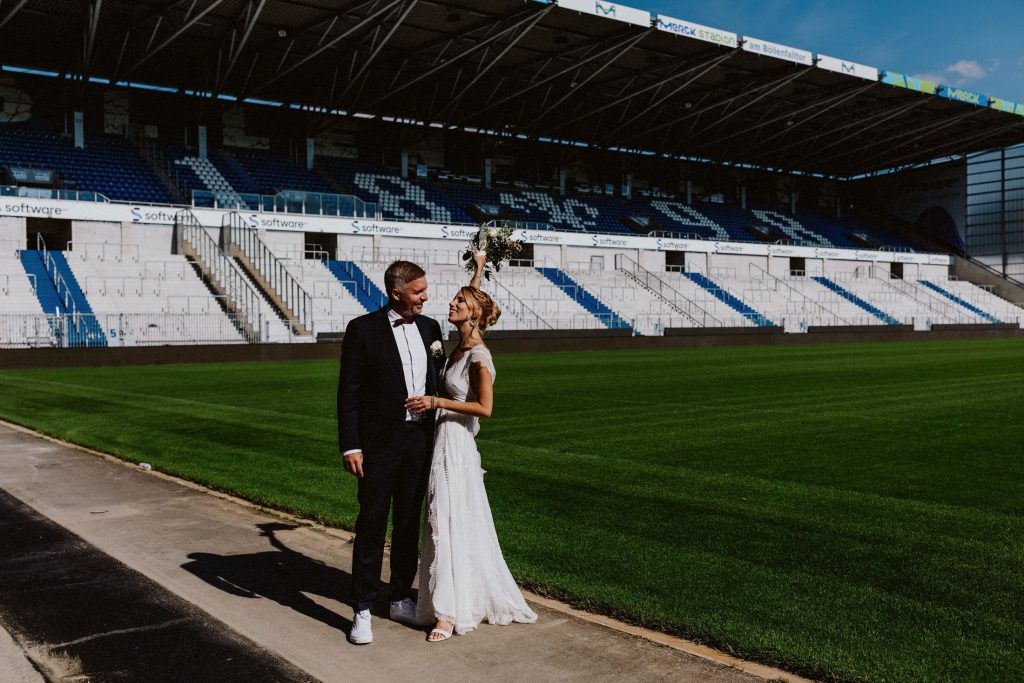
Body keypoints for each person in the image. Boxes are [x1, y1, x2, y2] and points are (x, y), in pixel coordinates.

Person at [405, 251, 538, 642]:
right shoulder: (460, 342)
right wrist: (478, 268)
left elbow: (485, 407)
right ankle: (442, 600)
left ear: (473, 314)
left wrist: (436, 402)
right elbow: (475, 296)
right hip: (442, 441)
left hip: (458, 445)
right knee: (442, 520)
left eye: (458, 302)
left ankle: (447, 613)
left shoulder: (478, 354)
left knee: (445, 520)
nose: (451, 303)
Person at [337, 260, 445, 645]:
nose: (425, 297)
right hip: (378, 445)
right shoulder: (362, 330)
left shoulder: (431, 329)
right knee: (371, 523)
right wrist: (351, 444)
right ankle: (362, 608)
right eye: (418, 292)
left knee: (408, 524)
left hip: (419, 442)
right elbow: (348, 392)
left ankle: (399, 596)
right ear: (397, 292)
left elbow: (441, 378)